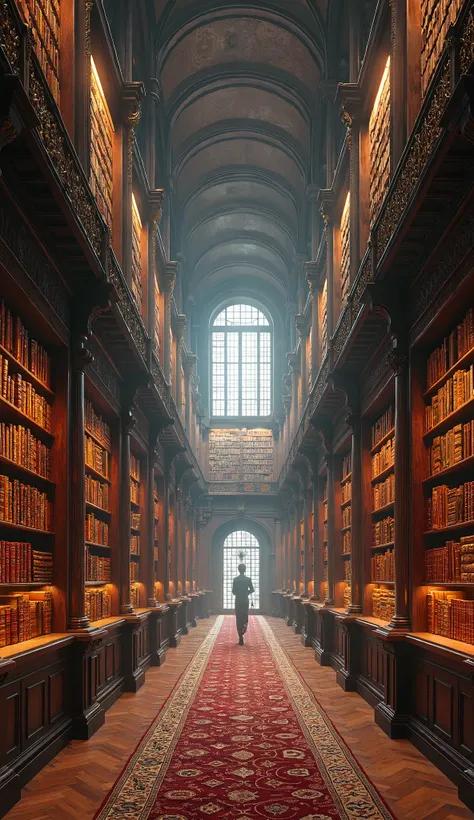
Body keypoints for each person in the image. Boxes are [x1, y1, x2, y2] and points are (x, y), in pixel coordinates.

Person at [232, 563, 254, 645]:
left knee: (238, 617)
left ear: (238, 570)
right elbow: (252, 589)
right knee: (245, 616)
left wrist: (239, 593)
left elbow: (233, 592)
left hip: (238, 600)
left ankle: (240, 636)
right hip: (245, 600)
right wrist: (246, 593)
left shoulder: (235, 579)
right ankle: (244, 628)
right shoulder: (248, 579)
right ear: (245, 570)